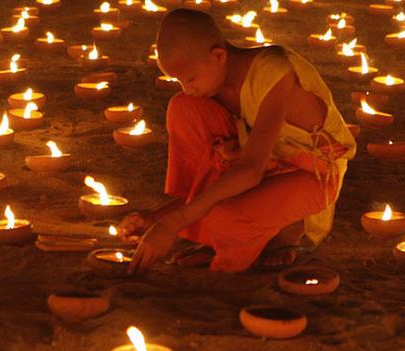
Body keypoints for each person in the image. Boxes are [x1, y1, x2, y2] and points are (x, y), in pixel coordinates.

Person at [122, 8, 355, 274]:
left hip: (310, 175)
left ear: (218, 56)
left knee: (226, 221)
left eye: (191, 78)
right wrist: (155, 219)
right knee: (184, 107)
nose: (187, 88)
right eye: (179, 80)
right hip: (261, 162)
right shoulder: (216, 79)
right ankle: (218, 238)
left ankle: (285, 231)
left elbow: (251, 170)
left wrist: (172, 223)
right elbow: (224, 170)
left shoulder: (274, 73)